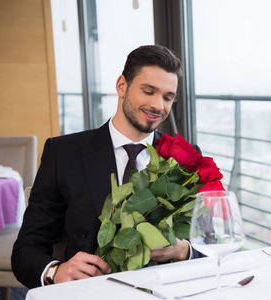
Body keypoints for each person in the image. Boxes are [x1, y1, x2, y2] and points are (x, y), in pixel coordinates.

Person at [12, 45, 197, 289]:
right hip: (92, 290)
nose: (158, 106)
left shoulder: (185, 158)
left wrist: (183, 250)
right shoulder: (64, 153)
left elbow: (211, 242)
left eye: (167, 97)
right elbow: (27, 249)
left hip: (165, 289)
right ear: (122, 86)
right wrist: (57, 271)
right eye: (149, 91)